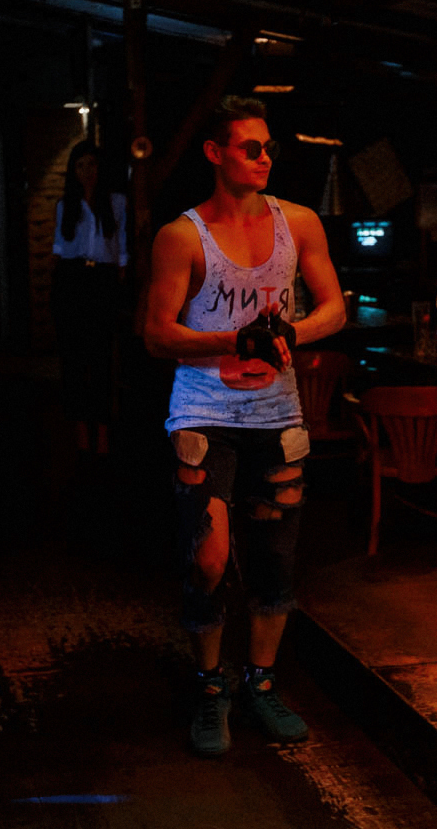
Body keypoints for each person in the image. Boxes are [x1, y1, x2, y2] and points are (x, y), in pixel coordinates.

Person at [144, 95, 345, 757]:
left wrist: (291, 332)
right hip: (204, 412)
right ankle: (210, 685)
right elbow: (157, 333)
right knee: (208, 558)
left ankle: (260, 683)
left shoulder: (298, 223)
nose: (263, 159)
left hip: (277, 413)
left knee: (275, 559)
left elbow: (334, 308)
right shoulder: (182, 236)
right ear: (215, 153)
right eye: (250, 148)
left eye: (269, 148)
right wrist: (234, 340)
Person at [51, 140, 127, 458]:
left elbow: (122, 249)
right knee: (73, 358)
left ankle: (103, 428)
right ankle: (81, 427)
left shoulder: (116, 202)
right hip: (72, 277)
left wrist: (119, 284)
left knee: (101, 357)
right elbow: (58, 249)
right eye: (80, 165)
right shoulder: (65, 205)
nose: (87, 171)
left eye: (92, 164)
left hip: (103, 279)